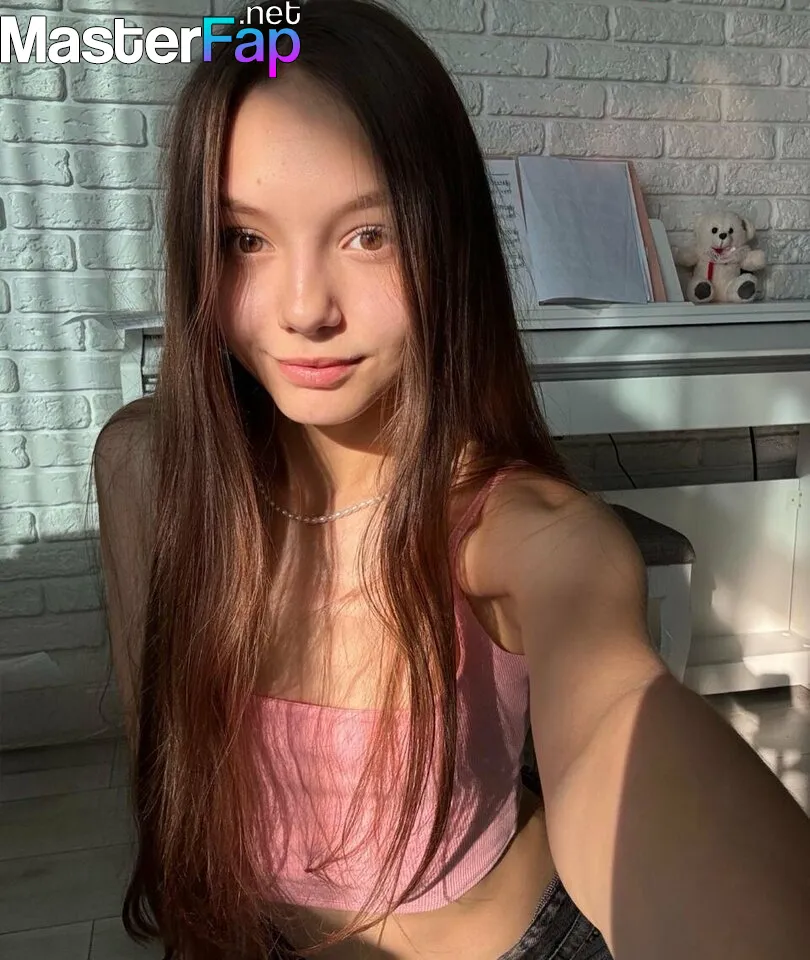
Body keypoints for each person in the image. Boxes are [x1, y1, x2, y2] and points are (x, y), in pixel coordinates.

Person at [91, 2, 810, 959]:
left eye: (370, 235)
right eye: (245, 240)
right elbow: (165, 756)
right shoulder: (148, 471)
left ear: (449, 243)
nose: (305, 309)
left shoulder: (521, 534)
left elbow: (616, 715)